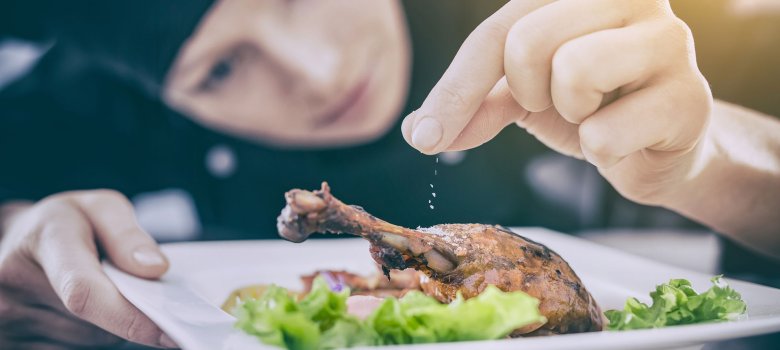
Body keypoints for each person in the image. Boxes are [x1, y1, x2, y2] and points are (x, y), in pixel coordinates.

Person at [0, 0, 778, 348]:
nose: (318, 71)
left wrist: (708, 158)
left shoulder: (613, 13)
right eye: (222, 68)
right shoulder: (94, 95)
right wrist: (16, 240)